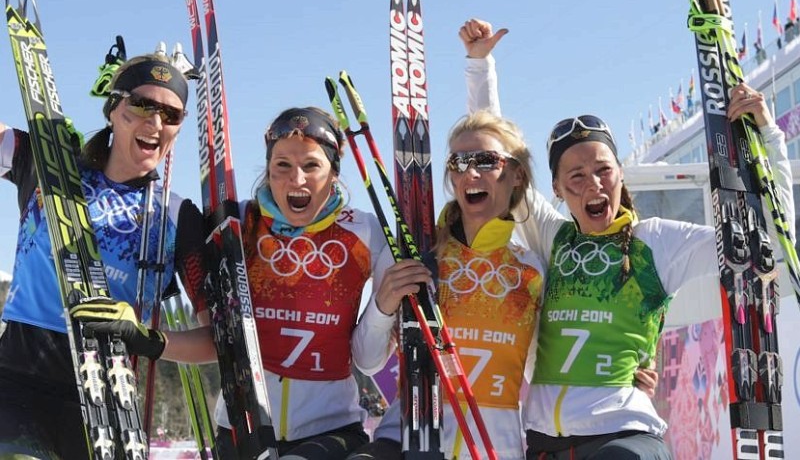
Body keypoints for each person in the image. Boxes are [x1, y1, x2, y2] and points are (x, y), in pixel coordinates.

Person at [459, 18, 794, 459]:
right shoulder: (551, 236)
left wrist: (768, 135)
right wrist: (481, 66)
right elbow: (498, 154)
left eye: (603, 170)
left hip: (621, 434)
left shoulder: (655, 241)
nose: (594, 185)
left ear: (620, 173)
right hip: (544, 441)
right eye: (576, 177)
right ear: (556, 190)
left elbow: (764, 238)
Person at [75, 106, 396, 460]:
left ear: (334, 171)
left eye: (311, 166)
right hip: (242, 427)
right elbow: (211, 327)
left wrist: (383, 308)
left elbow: (369, 362)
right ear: (268, 171)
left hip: (331, 427)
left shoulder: (365, 233)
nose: (297, 180)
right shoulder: (235, 223)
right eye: (282, 166)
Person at [0, 51, 206, 459]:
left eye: (171, 115)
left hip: (106, 404)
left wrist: (149, 339)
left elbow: (217, 341)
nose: (155, 122)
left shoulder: (176, 217)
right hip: (16, 382)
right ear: (114, 109)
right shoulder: (50, 167)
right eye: (142, 105)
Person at [347, 110, 546, 460]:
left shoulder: (531, 269)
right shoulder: (414, 252)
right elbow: (367, 360)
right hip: (411, 438)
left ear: (516, 174)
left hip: (491, 445)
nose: (470, 172)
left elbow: (541, 367)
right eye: (458, 162)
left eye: (485, 160)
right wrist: (383, 303)